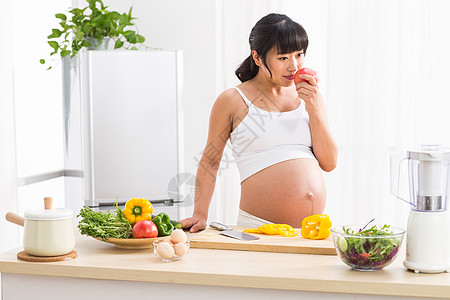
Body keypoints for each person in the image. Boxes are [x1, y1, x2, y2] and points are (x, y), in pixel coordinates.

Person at [181, 13, 338, 232]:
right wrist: (200, 213)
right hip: (258, 229)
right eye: (283, 58)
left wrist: (314, 109)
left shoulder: (310, 96)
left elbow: (329, 163)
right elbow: (210, 161)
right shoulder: (233, 100)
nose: (294, 66)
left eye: (299, 55)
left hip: (311, 232)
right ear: (257, 57)